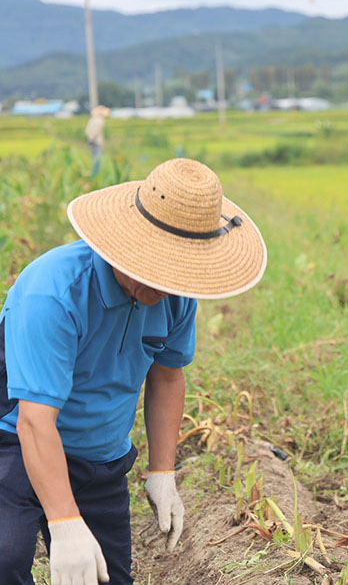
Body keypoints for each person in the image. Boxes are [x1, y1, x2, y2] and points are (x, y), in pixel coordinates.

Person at [0, 158, 267, 585]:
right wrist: (65, 523)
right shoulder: (53, 293)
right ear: (121, 244)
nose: (162, 287)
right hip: (17, 443)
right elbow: (34, 420)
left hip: (101, 456)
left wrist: (163, 472)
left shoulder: (176, 297)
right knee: (5, 558)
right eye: (153, 269)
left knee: (108, 578)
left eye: (177, 273)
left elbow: (166, 376)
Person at [85, 104, 111, 175]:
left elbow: (87, 130)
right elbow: (95, 131)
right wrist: (93, 138)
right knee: (97, 158)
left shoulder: (93, 119)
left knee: (94, 157)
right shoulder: (99, 120)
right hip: (96, 141)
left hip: (92, 140)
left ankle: (95, 172)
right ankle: (96, 173)